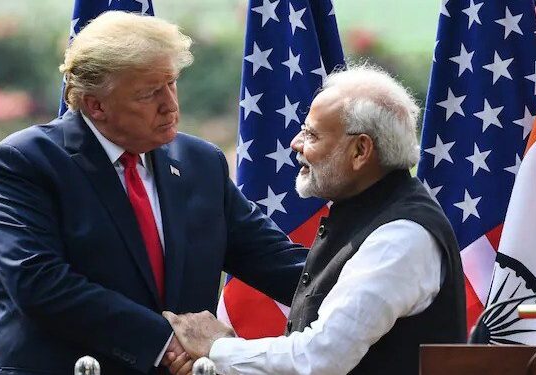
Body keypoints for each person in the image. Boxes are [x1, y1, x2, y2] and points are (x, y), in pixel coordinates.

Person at [0, 11, 306, 375]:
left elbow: (277, 261)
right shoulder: (26, 163)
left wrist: (369, 281)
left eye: (172, 83)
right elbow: (38, 283)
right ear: (96, 105)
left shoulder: (201, 164)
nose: (170, 104)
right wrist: (165, 340)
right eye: (149, 93)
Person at [163, 65, 467, 375]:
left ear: (361, 150)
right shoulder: (370, 214)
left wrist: (216, 345)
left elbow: (319, 359)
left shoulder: (399, 238)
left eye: (311, 134)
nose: (296, 143)